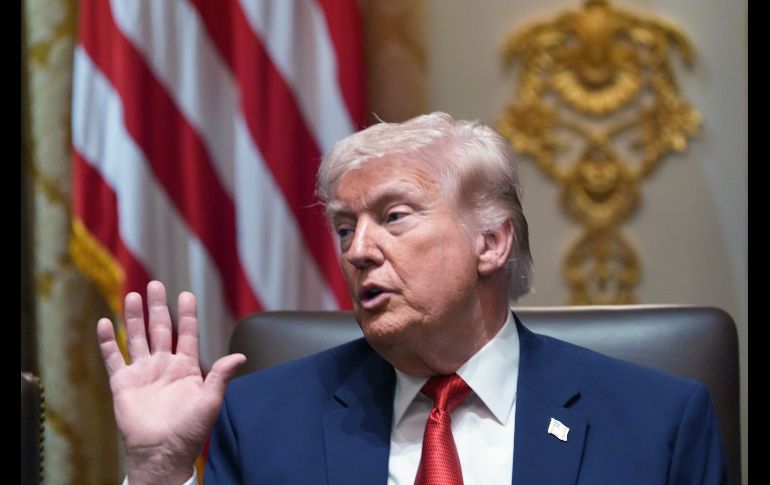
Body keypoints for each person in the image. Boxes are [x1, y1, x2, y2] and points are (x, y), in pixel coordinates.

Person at [98, 112, 726, 484]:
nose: (357, 250)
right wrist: (157, 472)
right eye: (345, 227)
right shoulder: (264, 420)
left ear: (491, 244)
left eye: (393, 217)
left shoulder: (657, 423)